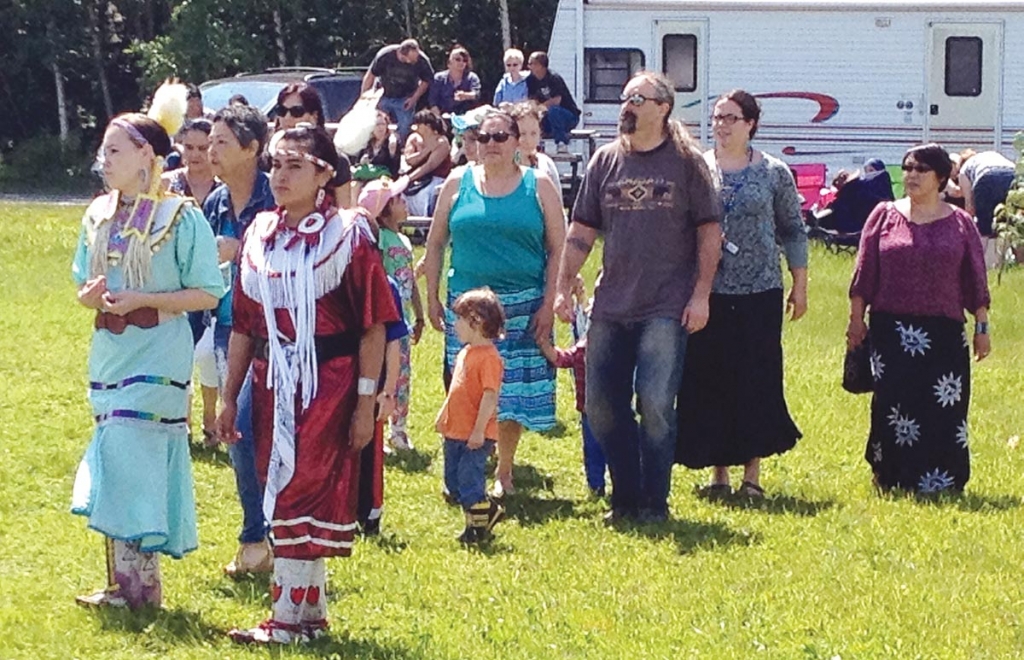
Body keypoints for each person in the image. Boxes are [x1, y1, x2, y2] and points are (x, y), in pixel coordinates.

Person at [215, 125, 398, 643]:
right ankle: (306, 617)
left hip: (329, 380)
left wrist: (366, 402)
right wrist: (228, 396)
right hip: (271, 381)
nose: (280, 175)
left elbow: (374, 324)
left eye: (294, 165)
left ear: (324, 175)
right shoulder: (260, 235)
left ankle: (286, 619)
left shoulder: (348, 235)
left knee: (304, 488)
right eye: (275, 164)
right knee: (280, 483)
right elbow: (244, 325)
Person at [71, 110, 224, 608]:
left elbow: (208, 291)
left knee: (136, 453)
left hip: (158, 351)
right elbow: (82, 281)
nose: (105, 159)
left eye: (115, 150)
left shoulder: (179, 217)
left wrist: (144, 300)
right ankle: (124, 584)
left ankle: (143, 584)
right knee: (114, 455)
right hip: (110, 352)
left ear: (146, 156)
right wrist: (90, 298)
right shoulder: (98, 214)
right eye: (104, 150)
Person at [555, 71, 721, 524]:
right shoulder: (605, 160)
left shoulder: (687, 163)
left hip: (666, 305)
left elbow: (709, 232)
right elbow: (582, 229)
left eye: (637, 99)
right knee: (601, 406)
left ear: (663, 108)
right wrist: (564, 284)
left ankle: (654, 502)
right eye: (625, 98)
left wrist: (701, 294)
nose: (626, 106)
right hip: (611, 304)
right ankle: (625, 497)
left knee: (655, 404)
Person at [425, 109, 566, 498]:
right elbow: (435, 244)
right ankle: (463, 468)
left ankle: (504, 471)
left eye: (500, 137)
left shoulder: (538, 185)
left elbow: (558, 248)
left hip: (523, 307)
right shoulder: (457, 182)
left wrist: (549, 302)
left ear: (517, 141)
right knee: (466, 388)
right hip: (468, 309)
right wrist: (432, 297)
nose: (490, 144)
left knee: (510, 393)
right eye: (483, 138)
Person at [675, 90, 808, 498]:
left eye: (731, 118)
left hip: (760, 290)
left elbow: (792, 229)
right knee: (709, 377)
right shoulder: (697, 169)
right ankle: (719, 474)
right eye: (717, 117)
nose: (722, 125)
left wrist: (800, 284)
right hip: (708, 291)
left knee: (755, 378)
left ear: (751, 123)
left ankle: (752, 475)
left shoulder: (773, 172)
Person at [848, 143, 991, 494]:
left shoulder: (960, 223)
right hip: (890, 329)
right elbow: (864, 274)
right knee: (892, 406)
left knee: (943, 409)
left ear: (941, 178)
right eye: (908, 168)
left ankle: (942, 481)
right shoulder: (883, 216)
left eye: (921, 169)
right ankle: (890, 476)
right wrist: (856, 321)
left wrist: (982, 327)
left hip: (944, 332)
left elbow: (975, 280)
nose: (911, 175)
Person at [205, 104, 276, 577]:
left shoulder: (277, 195)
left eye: (222, 142)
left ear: (252, 149)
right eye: (210, 141)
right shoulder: (214, 204)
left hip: (272, 337)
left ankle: (267, 535)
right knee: (236, 434)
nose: (211, 151)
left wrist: (243, 248)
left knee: (254, 431)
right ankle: (259, 537)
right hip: (227, 329)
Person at [163, 117, 220, 443]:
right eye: (189, 147)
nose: (196, 154)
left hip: (214, 280)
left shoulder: (224, 188)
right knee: (178, 352)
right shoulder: (166, 185)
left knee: (209, 354)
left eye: (203, 147)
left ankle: (211, 418)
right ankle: (181, 420)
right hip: (174, 279)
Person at [435, 288, 507, 544]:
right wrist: (444, 413)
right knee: (454, 482)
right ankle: (488, 512)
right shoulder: (465, 352)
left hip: (475, 435)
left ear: (477, 322)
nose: (455, 325)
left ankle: (476, 530)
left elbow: (489, 397)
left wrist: (479, 431)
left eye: (460, 320)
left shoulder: (489, 358)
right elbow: (457, 388)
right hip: (456, 430)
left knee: (469, 481)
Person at [358, 176, 424, 451]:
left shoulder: (403, 240)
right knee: (382, 373)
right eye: (397, 199)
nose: (405, 202)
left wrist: (419, 313)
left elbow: (410, 281)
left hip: (403, 321)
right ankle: (378, 423)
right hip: (384, 321)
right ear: (383, 210)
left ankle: (398, 428)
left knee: (402, 375)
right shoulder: (379, 241)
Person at [538, 277, 607, 497]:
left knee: (613, 448)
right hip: (589, 412)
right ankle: (596, 485)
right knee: (593, 450)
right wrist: (544, 345)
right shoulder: (582, 349)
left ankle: (619, 483)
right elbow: (561, 358)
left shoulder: (616, 350)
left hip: (613, 411)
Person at [362, 38, 434, 143]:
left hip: (405, 98)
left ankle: (399, 146)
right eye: (412, 60)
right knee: (376, 123)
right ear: (402, 54)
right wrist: (364, 99)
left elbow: (426, 81)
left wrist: (414, 99)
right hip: (383, 94)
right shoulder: (385, 55)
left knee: (405, 126)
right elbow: (370, 76)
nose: (415, 61)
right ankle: (377, 146)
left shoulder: (422, 60)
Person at [958, 148, 1015, 268]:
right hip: (1012, 175)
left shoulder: (964, 170)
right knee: (1010, 225)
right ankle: (1004, 263)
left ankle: (975, 265)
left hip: (986, 180)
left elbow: (969, 206)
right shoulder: (992, 154)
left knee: (983, 227)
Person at [526, 51, 581, 153]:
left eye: (531, 64)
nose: (528, 67)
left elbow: (556, 100)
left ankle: (562, 143)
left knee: (553, 110)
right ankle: (537, 147)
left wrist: (540, 107)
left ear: (540, 65)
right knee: (531, 115)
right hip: (548, 117)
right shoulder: (530, 80)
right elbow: (532, 100)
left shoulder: (554, 78)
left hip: (568, 117)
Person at [401, 110, 452, 217]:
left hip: (436, 179)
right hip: (416, 178)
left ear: (427, 126)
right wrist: (427, 150)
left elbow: (429, 166)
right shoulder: (414, 138)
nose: (416, 127)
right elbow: (409, 160)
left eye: (419, 124)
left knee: (428, 193)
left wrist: (409, 178)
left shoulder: (442, 141)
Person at [508, 101, 561, 187]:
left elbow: (557, 194)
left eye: (533, 133)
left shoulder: (546, 165)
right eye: (522, 134)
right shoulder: (504, 167)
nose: (528, 140)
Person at [428, 45, 481, 116]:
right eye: (458, 59)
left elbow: (476, 94)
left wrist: (466, 95)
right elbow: (433, 101)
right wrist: (438, 118)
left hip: (466, 117)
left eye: (465, 60)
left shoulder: (472, 77)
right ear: (449, 62)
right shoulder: (439, 78)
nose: (461, 62)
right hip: (443, 116)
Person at [355, 109, 401, 180]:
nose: (381, 127)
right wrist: (362, 162)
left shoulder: (392, 141)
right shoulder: (366, 142)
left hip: (384, 177)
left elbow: (395, 168)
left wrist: (392, 154)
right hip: (367, 176)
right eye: (377, 124)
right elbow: (357, 163)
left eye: (383, 124)